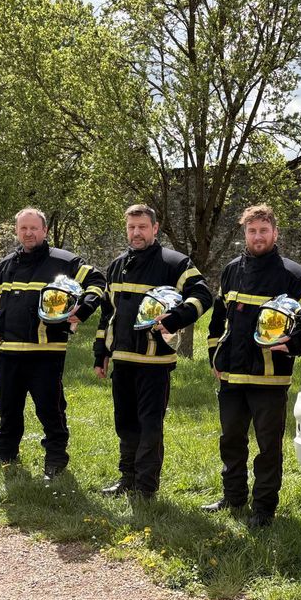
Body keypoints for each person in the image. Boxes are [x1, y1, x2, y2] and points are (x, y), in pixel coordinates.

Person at [204, 204, 301, 527]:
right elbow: (217, 319)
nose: (257, 236)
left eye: (263, 230)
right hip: (231, 375)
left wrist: (295, 344)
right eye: (252, 231)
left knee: (268, 447)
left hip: (269, 379)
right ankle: (233, 497)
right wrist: (215, 356)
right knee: (231, 440)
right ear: (244, 234)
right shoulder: (231, 270)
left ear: (275, 233)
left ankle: (263, 508)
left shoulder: (292, 274)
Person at [0, 207, 105, 479]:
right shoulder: (5, 266)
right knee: (8, 410)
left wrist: (84, 309)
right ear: (16, 231)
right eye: (23, 228)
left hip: (46, 354)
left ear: (44, 230)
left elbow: (97, 281)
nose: (29, 233)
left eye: (34, 228)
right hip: (8, 354)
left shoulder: (64, 261)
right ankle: (6, 457)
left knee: (51, 412)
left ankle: (55, 463)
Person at [94, 204, 213, 500]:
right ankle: (127, 479)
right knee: (125, 423)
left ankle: (146, 487)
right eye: (131, 227)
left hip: (155, 363)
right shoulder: (117, 264)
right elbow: (108, 313)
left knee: (149, 425)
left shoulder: (174, 263)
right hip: (122, 359)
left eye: (142, 227)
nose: (136, 233)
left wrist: (175, 319)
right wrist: (101, 353)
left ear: (155, 228)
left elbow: (203, 295)